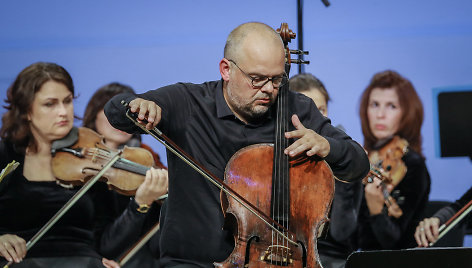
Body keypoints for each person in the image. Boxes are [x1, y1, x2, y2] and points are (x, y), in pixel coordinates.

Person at [104, 22, 370, 267]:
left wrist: (327, 146)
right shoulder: (188, 103)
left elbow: (358, 163)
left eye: (276, 80)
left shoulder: (297, 109)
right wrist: (138, 106)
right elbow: (116, 109)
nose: (268, 89)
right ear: (226, 69)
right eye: (257, 79)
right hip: (190, 263)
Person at [0, 62, 167, 267]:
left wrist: (139, 203)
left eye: (67, 101)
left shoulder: (95, 160)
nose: (63, 112)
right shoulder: (7, 154)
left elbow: (106, 245)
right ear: (27, 110)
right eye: (50, 104)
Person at [83, 82, 168, 267]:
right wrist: (140, 204)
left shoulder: (146, 156)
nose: (120, 119)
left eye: (129, 114)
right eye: (111, 112)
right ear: (93, 113)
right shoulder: (81, 166)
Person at [290, 73, 363, 268]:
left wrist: (345, 177)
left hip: (332, 260)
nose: (317, 118)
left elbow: (342, 231)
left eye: (322, 109)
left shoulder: (344, 155)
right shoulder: (275, 155)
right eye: (308, 110)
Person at [357, 70, 431, 250]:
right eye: (374, 104)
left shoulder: (413, 165)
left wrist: (376, 210)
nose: (380, 114)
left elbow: (395, 242)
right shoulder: (364, 158)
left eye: (391, 106)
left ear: (407, 113)